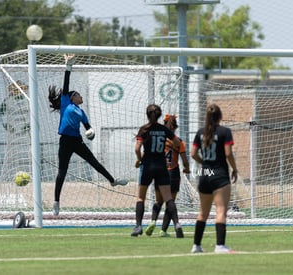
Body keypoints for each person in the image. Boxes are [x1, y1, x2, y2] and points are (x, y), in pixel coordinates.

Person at [48, 54, 128, 216]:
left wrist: (90, 132)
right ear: (72, 97)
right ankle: (56, 201)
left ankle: (112, 181)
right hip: (65, 141)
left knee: (94, 162)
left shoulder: (81, 111)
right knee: (62, 171)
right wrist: (68, 66)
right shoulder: (66, 102)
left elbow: (88, 128)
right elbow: (66, 82)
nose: (81, 97)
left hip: (77, 141)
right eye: (79, 95)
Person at [190, 103, 238, 254]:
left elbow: (193, 153)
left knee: (202, 213)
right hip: (219, 175)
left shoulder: (200, 132)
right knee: (221, 211)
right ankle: (220, 246)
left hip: (205, 174)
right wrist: (235, 169)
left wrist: (203, 162)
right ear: (220, 116)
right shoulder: (225, 132)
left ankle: (196, 246)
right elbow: (228, 153)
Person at [131, 104, 184, 238]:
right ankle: (177, 224)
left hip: (148, 165)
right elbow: (178, 143)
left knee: (140, 197)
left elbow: (137, 149)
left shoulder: (144, 129)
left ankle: (138, 227)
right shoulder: (163, 129)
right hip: (162, 166)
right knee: (168, 198)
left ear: (147, 114)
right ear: (159, 115)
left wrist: (139, 159)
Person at [144, 114, 190, 237]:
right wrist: (187, 168)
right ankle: (164, 230)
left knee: (159, 201)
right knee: (171, 202)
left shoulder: (159, 140)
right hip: (173, 173)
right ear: (175, 127)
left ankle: (153, 221)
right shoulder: (179, 142)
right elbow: (185, 160)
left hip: (160, 172)